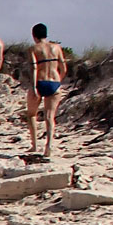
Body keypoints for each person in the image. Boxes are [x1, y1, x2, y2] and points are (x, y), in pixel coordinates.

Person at [27, 22, 68, 157]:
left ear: (34, 35)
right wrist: (58, 81)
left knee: (31, 114)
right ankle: (48, 146)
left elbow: (34, 68)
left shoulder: (33, 48)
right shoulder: (56, 47)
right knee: (50, 116)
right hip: (54, 82)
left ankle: (34, 145)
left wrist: (34, 87)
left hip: (40, 81)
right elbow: (63, 68)